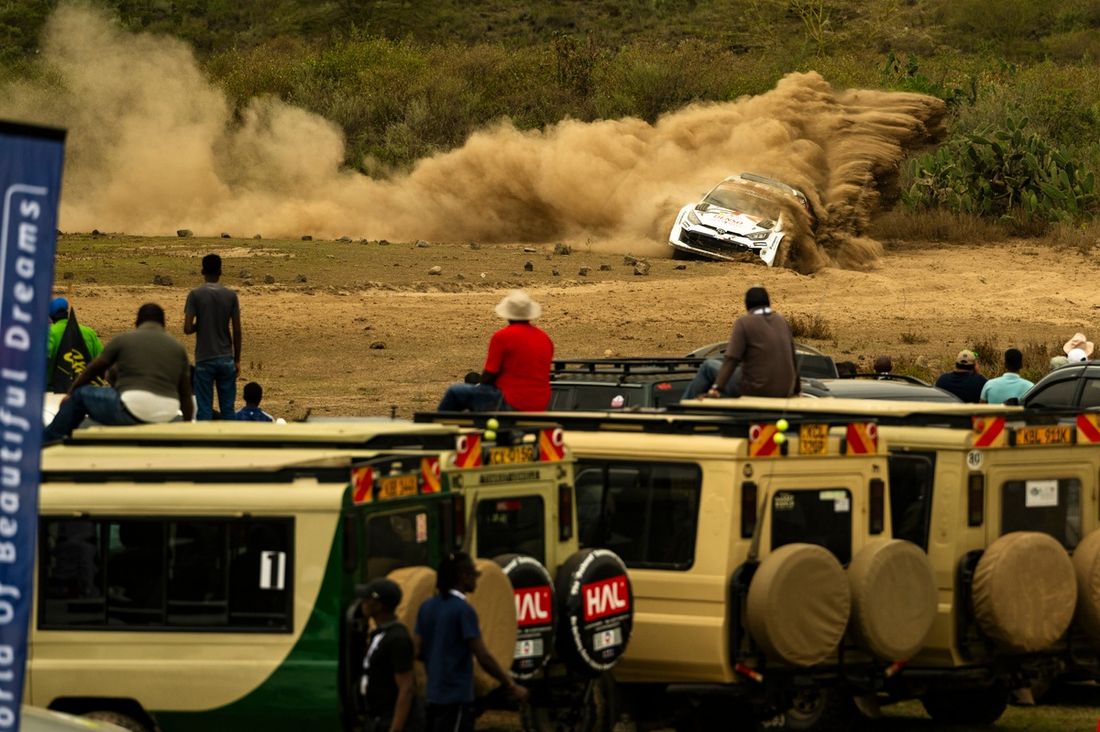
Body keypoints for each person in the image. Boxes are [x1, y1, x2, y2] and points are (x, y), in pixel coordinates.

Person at [43, 303, 193, 442]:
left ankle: (50, 439)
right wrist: (186, 429)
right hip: (168, 413)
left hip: (131, 411)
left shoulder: (124, 339)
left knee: (81, 395)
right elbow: (186, 394)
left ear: (137, 322)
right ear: (163, 324)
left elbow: (94, 369)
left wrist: (72, 392)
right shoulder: (177, 347)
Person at [414, 552, 527, 732]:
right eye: (474, 575)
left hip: (433, 695)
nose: (476, 580)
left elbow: (417, 650)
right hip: (456, 697)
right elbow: (483, 656)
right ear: (463, 577)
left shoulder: (426, 607)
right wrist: (509, 684)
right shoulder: (464, 611)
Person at [437, 291, 553, 412]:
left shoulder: (502, 336)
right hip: (541, 401)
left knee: (455, 391)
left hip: (509, 400)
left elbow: (489, 375)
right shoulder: (545, 338)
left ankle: (437, 427)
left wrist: (480, 387)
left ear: (508, 314)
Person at [684, 286, 800, 399]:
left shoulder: (744, 322)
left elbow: (731, 358)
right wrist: (797, 390)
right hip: (785, 390)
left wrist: (717, 388)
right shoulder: (782, 321)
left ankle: (683, 408)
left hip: (756, 389)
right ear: (768, 302)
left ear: (747, 305)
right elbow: (793, 358)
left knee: (708, 366)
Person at [358, 579, 421, 732]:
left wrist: (395, 728)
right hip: (376, 719)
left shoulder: (397, 638)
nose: (363, 603)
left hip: (389, 720)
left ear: (379, 606)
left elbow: (406, 688)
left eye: (367, 599)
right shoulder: (378, 634)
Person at [184, 253, 242, 420]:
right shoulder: (231, 296)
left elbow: (187, 328)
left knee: (204, 410)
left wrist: (201, 323)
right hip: (226, 358)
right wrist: (236, 360)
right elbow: (237, 330)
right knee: (228, 410)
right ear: (220, 271)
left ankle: (205, 444)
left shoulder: (195, 295)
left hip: (204, 359)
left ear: (202, 271)